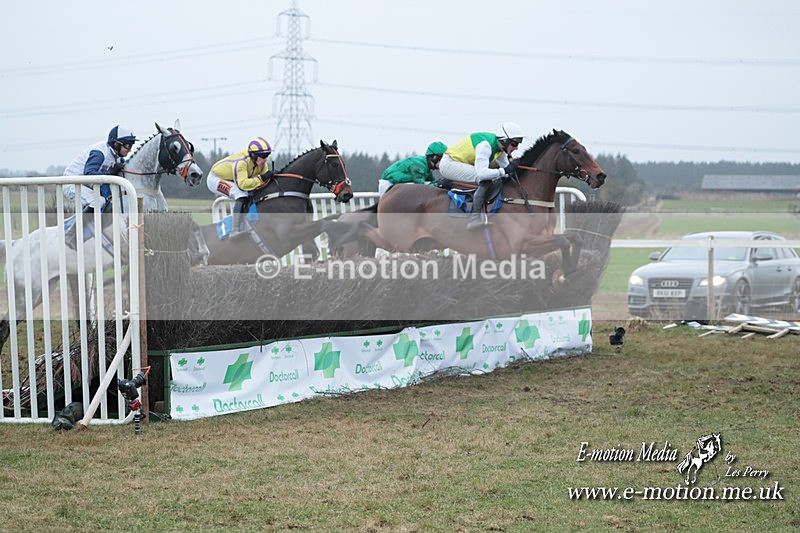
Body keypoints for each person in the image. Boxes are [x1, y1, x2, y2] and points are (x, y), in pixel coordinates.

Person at [439, 122, 525, 230]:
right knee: (485, 179)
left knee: (496, 177)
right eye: (515, 144)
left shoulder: (500, 149)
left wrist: (517, 167)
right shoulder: (486, 146)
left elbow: (508, 171)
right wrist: (504, 171)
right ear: (505, 140)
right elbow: (483, 173)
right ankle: (473, 219)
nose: (516, 148)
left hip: (459, 163)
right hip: (449, 164)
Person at [63, 125, 136, 247]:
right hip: (71, 184)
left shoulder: (117, 157)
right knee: (99, 201)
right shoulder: (100, 153)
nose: (129, 150)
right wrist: (111, 172)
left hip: (86, 185)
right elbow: (89, 173)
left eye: (131, 146)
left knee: (110, 205)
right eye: (127, 145)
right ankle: (71, 234)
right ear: (116, 144)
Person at [206, 136, 274, 239]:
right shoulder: (242, 163)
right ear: (253, 155)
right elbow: (243, 185)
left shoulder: (262, 165)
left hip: (231, 179)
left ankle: (247, 223)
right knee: (241, 194)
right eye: (262, 156)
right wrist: (261, 178)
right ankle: (234, 230)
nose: (265, 159)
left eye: (267, 155)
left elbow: (263, 182)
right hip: (215, 179)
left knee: (252, 194)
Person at [377, 141, 448, 196]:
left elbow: (432, 183)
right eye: (443, 160)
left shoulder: (426, 168)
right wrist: (438, 184)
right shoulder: (419, 165)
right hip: (388, 185)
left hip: (396, 185)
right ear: (434, 157)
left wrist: (438, 183)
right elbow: (421, 187)